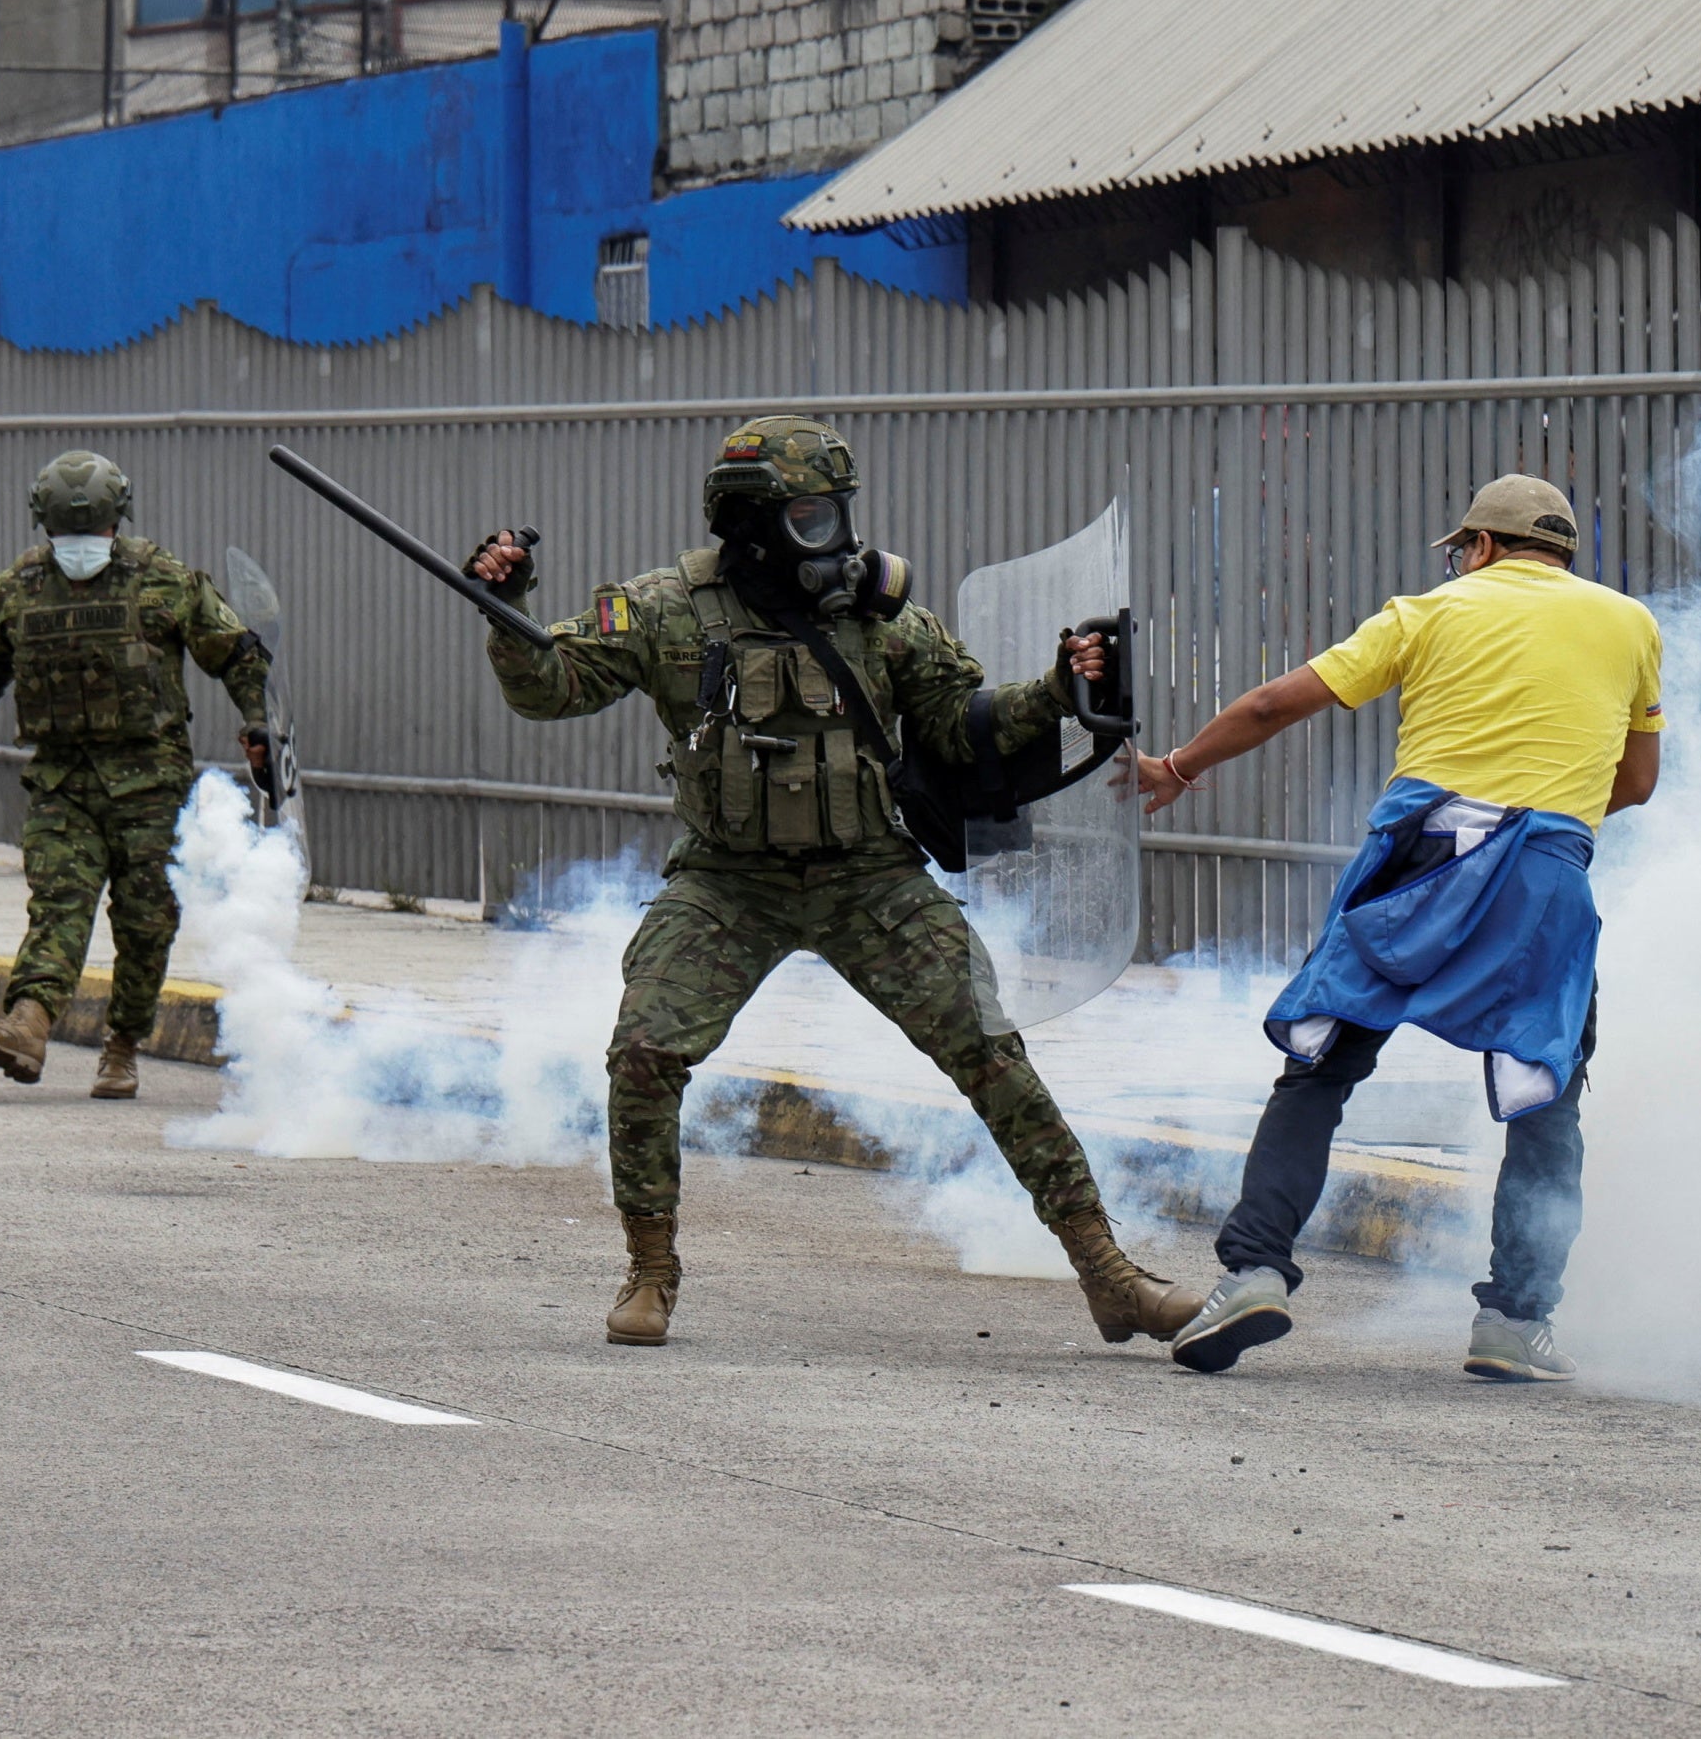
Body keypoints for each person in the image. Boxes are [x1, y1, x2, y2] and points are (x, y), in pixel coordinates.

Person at [467, 414, 1200, 1352]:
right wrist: (506, 610)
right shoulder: (663, 609)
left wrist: (1058, 688)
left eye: (837, 513)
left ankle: (1111, 1276)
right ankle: (650, 1271)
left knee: (992, 1055)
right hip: (729, 882)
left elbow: (962, 729)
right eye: (810, 516)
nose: (835, 538)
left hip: (870, 876)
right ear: (749, 523)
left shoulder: (886, 622)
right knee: (645, 1053)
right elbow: (550, 686)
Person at [1133, 473, 1662, 1384]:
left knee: (1321, 1069)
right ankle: (1513, 1322)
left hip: (1419, 863)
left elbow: (1272, 705)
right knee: (1545, 1101)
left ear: (1483, 547)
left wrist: (1177, 767)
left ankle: (1255, 1272)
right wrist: (1548, 824)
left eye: (1463, 549)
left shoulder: (1427, 612)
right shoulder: (1631, 624)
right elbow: (1638, 781)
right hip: (1546, 877)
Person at [0, 450, 274, 1102]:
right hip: (63, 785)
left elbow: (236, 653)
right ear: (44, 526)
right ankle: (27, 1026)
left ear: (118, 522)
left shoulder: (164, 580)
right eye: (66, 533)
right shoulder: (18, 590)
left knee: (145, 923)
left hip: (151, 786)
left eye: (92, 531)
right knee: (59, 904)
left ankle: (123, 1046)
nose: (80, 545)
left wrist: (257, 722)